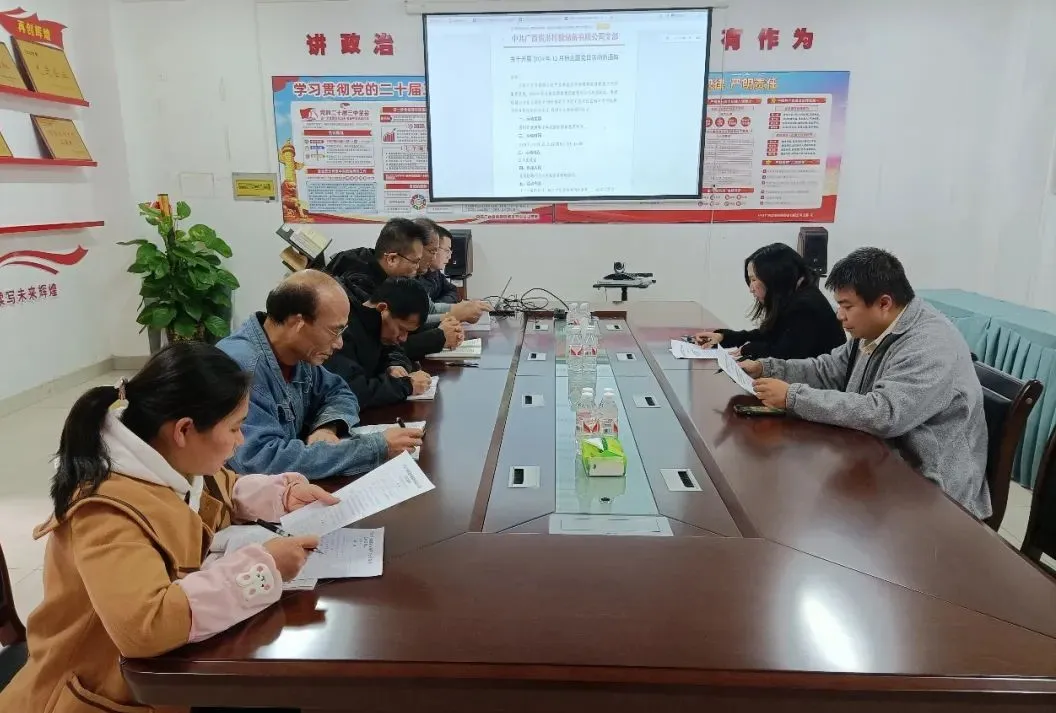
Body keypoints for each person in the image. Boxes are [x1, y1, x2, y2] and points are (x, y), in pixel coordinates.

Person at [0, 342, 335, 713]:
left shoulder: (168, 458)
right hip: (92, 694)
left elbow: (221, 490)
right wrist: (264, 569)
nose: (240, 440)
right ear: (184, 430)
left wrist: (283, 495)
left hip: (162, 681)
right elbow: (146, 626)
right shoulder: (106, 510)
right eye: (235, 427)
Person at [744, 248, 991, 519]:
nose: (839, 315)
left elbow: (884, 413)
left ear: (884, 303)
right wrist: (768, 368)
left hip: (931, 491)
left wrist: (793, 397)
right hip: (879, 460)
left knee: (809, 508)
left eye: (847, 306)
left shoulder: (930, 345)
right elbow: (828, 370)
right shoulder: (874, 329)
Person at [217, 270, 422, 480]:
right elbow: (261, 460)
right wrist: (376, 447)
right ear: (297, 323)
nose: (339, 343)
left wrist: (327, 426)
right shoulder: (241, 368)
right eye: (335, 331)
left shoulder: (299, 354)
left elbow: (340, 391)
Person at [324, 218, 469, 360]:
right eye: (415, 262)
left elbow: (400, 326)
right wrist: (438, 337)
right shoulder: (360, 286)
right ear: (392, 259)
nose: (417, 269)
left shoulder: (384, 276)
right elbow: (381, 346)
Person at [694, 243, 845, 359]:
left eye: (754, 279)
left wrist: (750, 349)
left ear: (774, 277)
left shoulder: (805, 306)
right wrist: (724, 337)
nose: (751, 289)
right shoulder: (795, 296)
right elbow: (769, 335)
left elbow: (785, 356)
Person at [326, 277, 435, 409]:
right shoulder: (344, 330)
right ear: (383, 308)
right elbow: (350, 390)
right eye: (401, 329)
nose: (403, 338)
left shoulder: (376, 325)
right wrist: (406, 385)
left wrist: (394, 365)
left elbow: (393, 352)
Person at [415, 219, 461, 304]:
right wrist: (437, 307)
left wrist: (438, 305)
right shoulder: (412, 276)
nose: (449, 257)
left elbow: (453, 291)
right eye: (446, 250)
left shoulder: (435, 273)